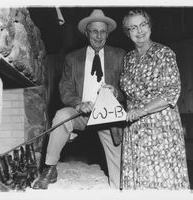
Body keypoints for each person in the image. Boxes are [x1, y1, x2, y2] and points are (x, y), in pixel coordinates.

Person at [33, 9, 125, 190]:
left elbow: (127, 90)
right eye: (94, 31)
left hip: (109, 115)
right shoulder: (73, 58)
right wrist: (78, 103)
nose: (99, 36)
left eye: (103, 31)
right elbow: (65, 88)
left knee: (119, 176)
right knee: (60, 117)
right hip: (82, 111)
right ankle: (50, 168)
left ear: (108, 33)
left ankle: (118, 187)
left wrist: (117, 93)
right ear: (86, 33)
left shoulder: (120, 55)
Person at [119, 9, 190, 190]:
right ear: (127, 33)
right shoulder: (128, 59)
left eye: (143, 24)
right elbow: (130, 94)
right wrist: (114, 93)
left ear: (150, 26)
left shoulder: (164, 53)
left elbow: (171, 93)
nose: (139, 31)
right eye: (133, 27)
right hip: (135, 129)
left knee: (161, 179)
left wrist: (142, 110)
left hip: (160, 128)